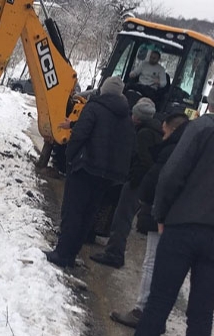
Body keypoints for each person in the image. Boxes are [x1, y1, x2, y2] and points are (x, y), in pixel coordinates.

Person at [135, 88, 214, 335]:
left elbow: (171, 174)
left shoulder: (200, 128)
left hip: (181, 225)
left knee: (158, 303)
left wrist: (160, 213)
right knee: (202, 314)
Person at [45, 77, 136, 267]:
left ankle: (63, 253)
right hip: (107, 176)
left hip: (85, 168)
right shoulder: (126, 116)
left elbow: (80, 136)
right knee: (89, 213)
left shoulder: (94, 107)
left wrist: (69, 158)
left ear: (103, 90)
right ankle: (72, 252)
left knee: (73, 211)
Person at [110, 112, 189, 329]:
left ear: (172, 130)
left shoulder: (171, 151)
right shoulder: (189, 149)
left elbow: (158, 182)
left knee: (151, 261)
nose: (161, 137)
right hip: (178, 218)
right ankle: (154, 315)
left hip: (161, 215)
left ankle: (141, 310)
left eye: (164, 132)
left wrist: (151, 207)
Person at [91, 97, 163, 268]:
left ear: (138, 117)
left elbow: (143, 160)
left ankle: (114, 254)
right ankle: (113, 251)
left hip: (137, 182)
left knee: (122, 218)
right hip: (147, 184)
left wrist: (132, 176)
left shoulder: (143, 134)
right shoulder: (156, 130)